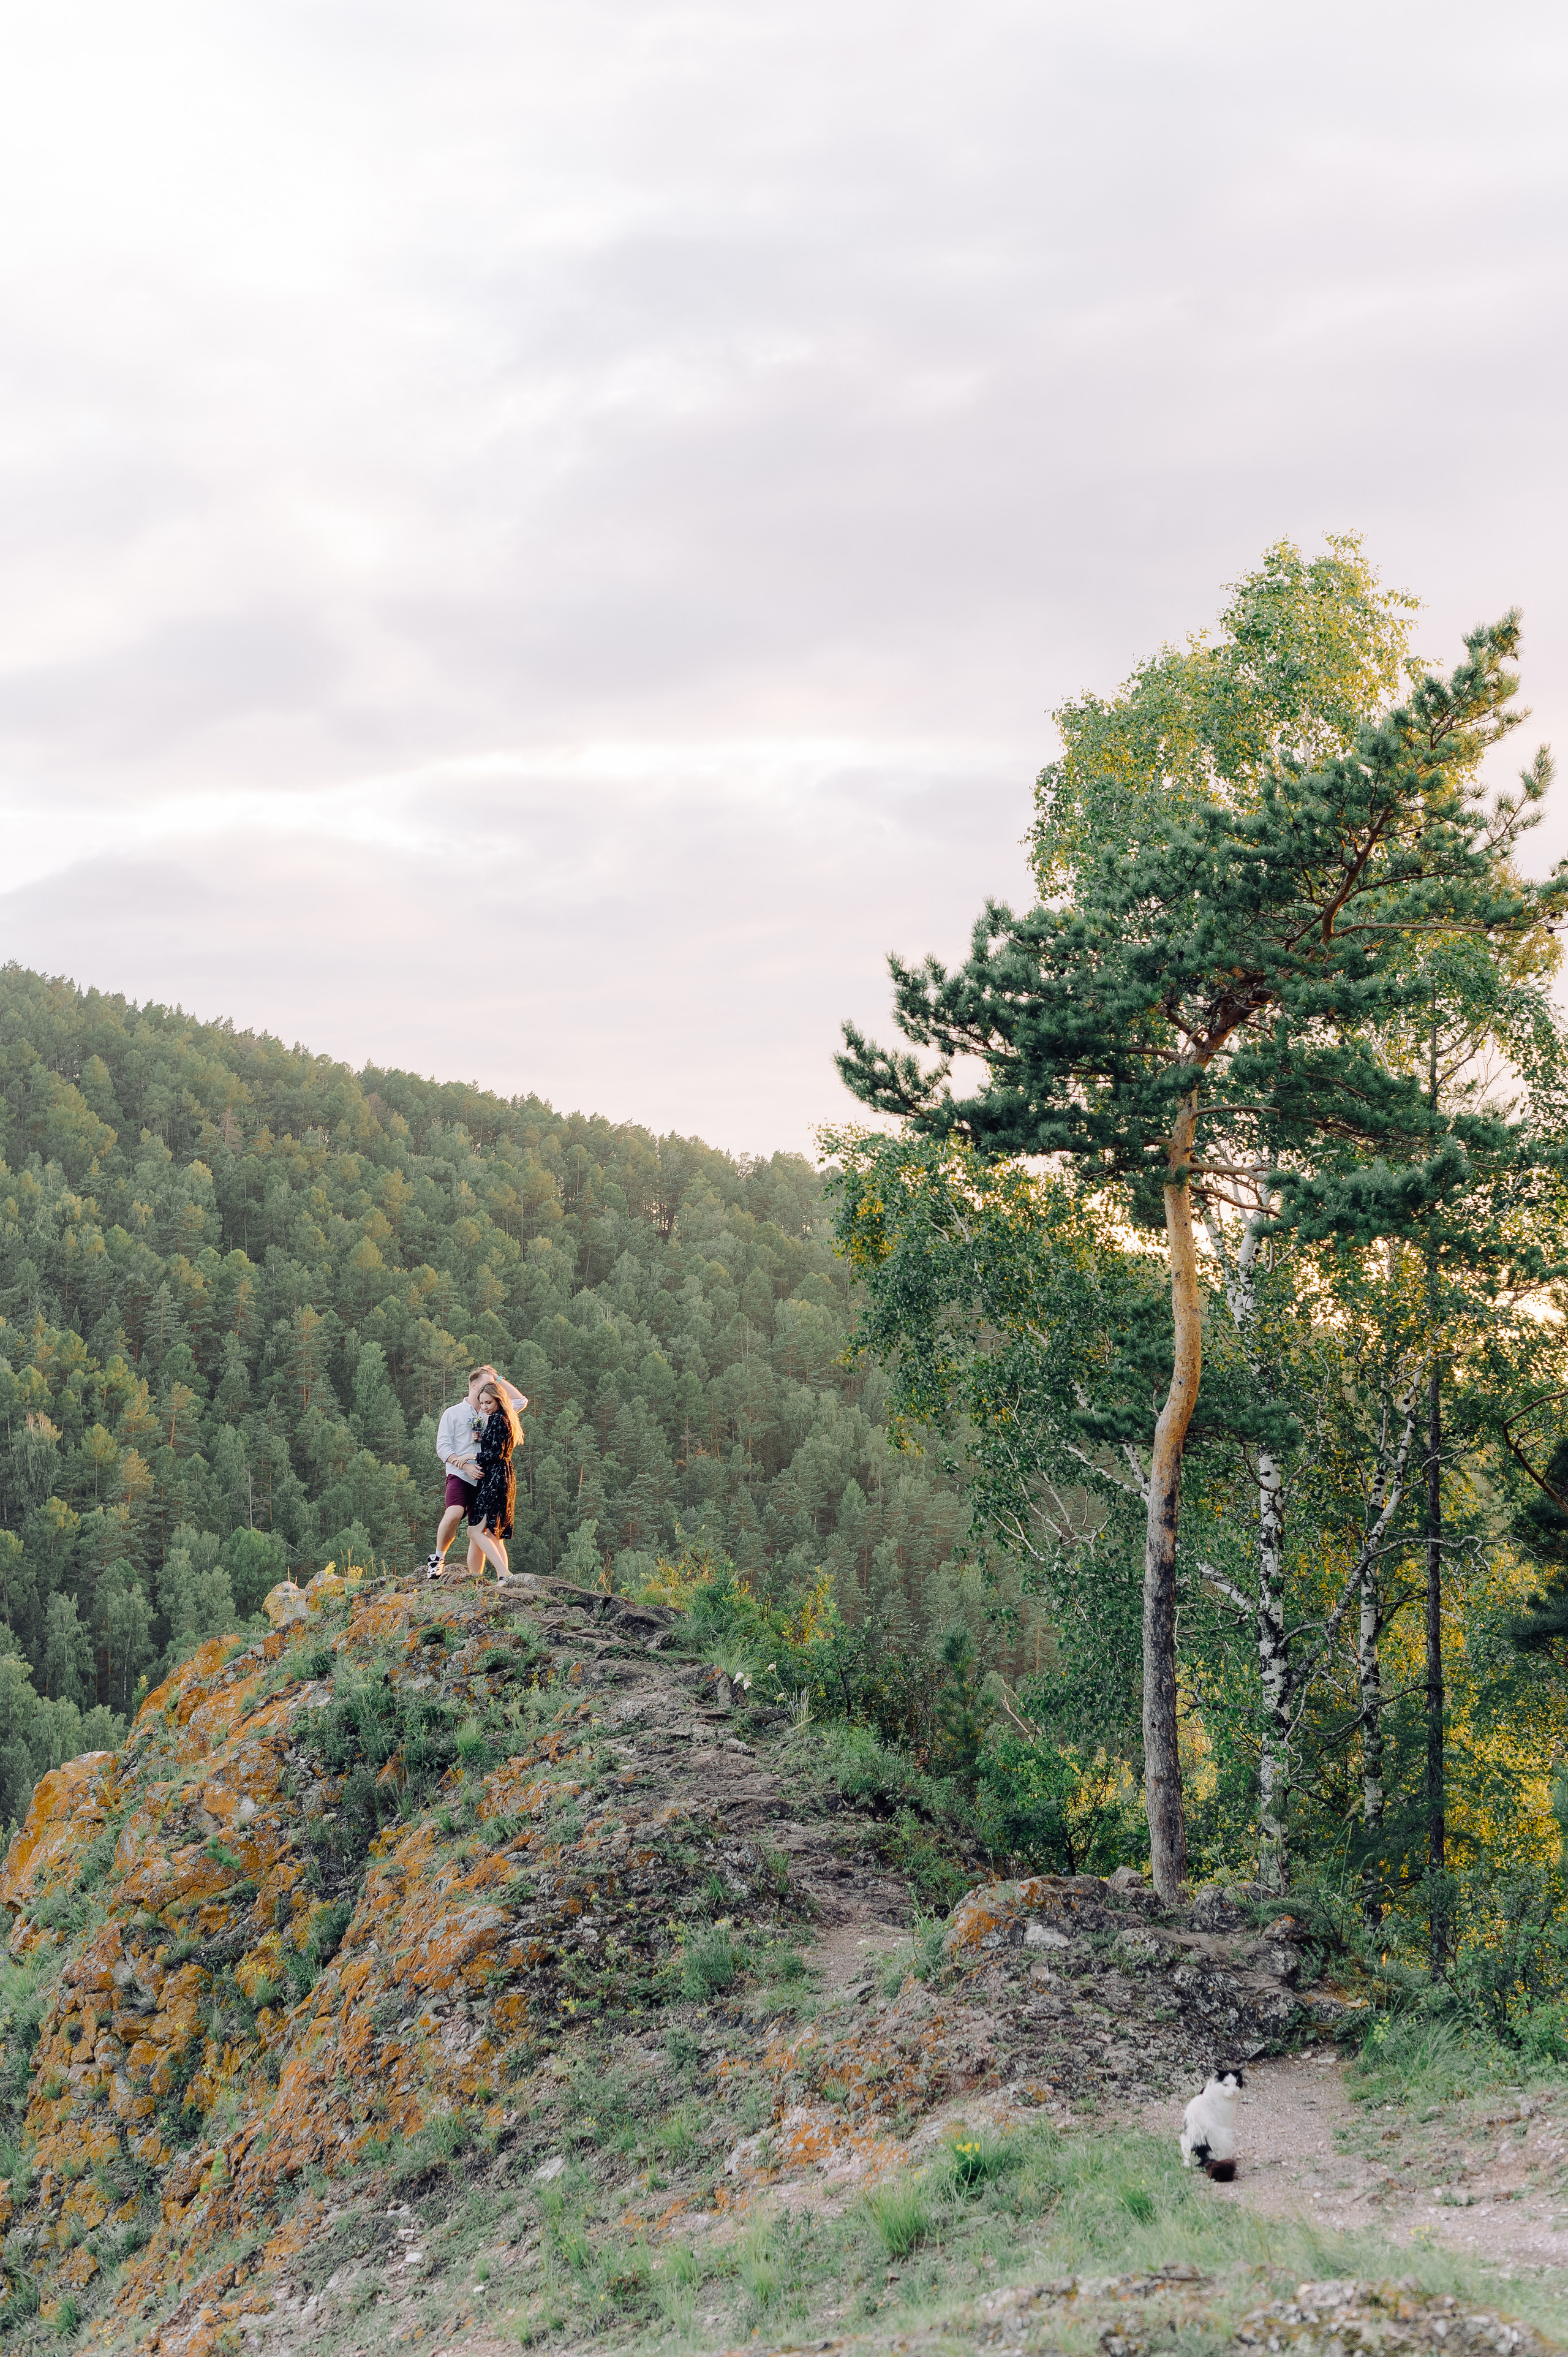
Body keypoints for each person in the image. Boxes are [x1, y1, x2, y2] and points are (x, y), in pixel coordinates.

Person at [426, 1365, 527, 1580]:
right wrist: (464, 1465)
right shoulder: (453, 1413)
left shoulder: (492, 1411)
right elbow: (442, 1448)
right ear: (473, 1385)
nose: (493, 1387)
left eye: (495, 1386)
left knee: (480, 1531)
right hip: (460, 1474)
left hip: (487, 1477)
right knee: (454, 1513)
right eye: (487, 1384)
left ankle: (476, 1579)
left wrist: (497, 1376)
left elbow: (520, 1402)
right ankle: (438, 1557)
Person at [466, 1376, 526, 1580]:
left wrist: (471, 1456)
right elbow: (497, 1446)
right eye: (481, 1403)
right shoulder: (498, 1418)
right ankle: (505, 1578)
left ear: (499, 1400)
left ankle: (504, 1573)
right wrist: (482, 1438)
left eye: (488, 1402)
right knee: (494, 1534)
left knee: (475, 1531)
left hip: (496, 1479)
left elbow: (496, 1454)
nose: (484, 1407)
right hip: (500, 1477)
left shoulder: (500, 1419)